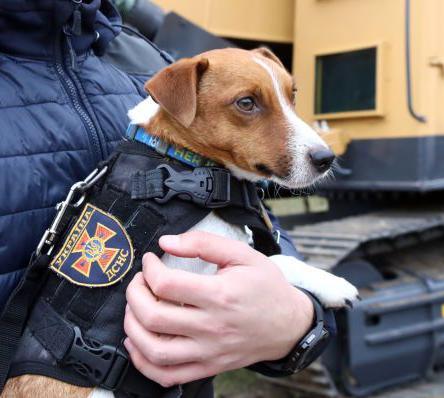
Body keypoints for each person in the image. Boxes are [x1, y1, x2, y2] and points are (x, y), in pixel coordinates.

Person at [0, 0, 332, 394]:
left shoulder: (142, 55)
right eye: (248, 104)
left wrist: (297, 318)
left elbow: (253, 225)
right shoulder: (167, 80)